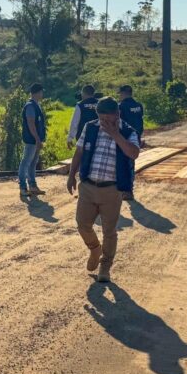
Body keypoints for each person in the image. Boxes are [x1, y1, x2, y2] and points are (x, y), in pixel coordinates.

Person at [65, 97, 140, 282]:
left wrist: (115, 135)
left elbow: (133, 153)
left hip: (111, 190)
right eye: (102, 119)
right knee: (82, 224)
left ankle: (105, 266)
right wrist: (71, 174)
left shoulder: (127, 131)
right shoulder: (90, 127)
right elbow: (79, 151)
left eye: (109, 119)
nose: (105, 123)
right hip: (88, 186)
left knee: (109, 231)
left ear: (118, 114)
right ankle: (94, 249)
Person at [117, 85, 145, 201]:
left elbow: (119, 123)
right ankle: (128, 188)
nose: (119, 96)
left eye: (120, 93)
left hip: (124, 138)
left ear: (124, 93)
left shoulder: (121, 106)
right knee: (131, 163)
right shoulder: (138, 106)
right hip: (136, 137)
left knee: (123, 163)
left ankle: (127, 190)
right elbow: (140, 121)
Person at [19, 83, 47, 197]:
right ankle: (23, 187)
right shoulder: (30, 106)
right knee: (26, 163)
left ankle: (33, 186)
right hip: (32, 140)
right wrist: (37, 139)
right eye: (41, 92)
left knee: (33, 163)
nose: (42, 94)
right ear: (38, 92)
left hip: (35, 140)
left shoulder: (36, 105)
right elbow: (31, 123)